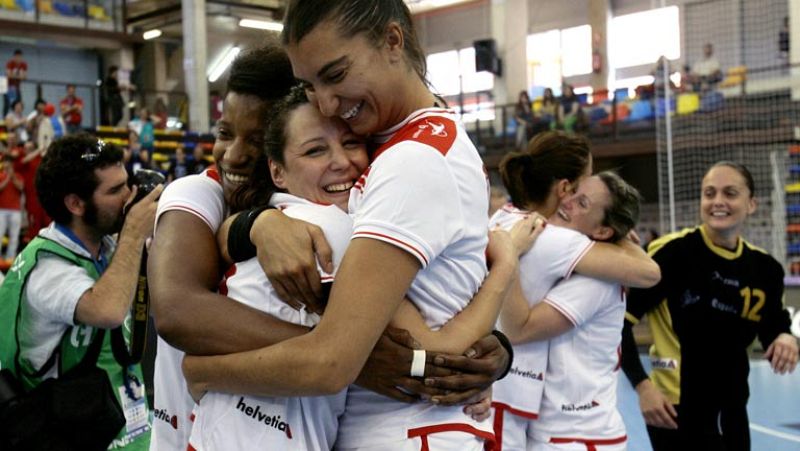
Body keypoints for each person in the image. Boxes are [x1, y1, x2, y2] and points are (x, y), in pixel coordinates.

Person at [181, 1, 516, 448]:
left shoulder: (411, 160)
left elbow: (336, 362)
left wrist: (201, 370)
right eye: (310, 84)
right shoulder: (391, 140)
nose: (326, 102)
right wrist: (255, 226)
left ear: (393, 41)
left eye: (335, 75)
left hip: (405, 428)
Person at [488, 131, 660, 450]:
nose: (575, 199)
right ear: (565, 187)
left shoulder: (507, 216)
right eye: (582, 186)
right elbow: (649, 272)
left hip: (547, 417)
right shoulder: (554, 239)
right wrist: (622, 240)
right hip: (512, 398)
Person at [621, 161, 799, 450]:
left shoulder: (766, 269)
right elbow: (620, 324)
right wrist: (643, 387)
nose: (718, 201)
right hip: (675, 408)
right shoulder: (671, 253)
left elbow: (774, 325)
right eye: (709, 193)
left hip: (732, 408)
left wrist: (785, 336)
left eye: (730, 193)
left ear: (751, 204)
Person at [0, 135, 162, 450]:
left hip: (125, 421)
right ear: (75, 203)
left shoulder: (106, 246)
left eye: (127, 184)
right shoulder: (46, 267)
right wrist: (133, 234)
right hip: (71, 433)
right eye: (115, 191)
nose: (129, 198)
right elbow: (109, 310)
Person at [0, 145, 23, 269]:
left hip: (15, 210)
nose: (8, 165)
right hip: (2, 210)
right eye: (6, 163)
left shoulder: (18, 176)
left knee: (14, 235)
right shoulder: (1, 176)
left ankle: (10, 258)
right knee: (0, 233)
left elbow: (20, 187)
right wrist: (7, 176)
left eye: (9, 164)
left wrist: (12, 176)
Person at [4, 49, 27, 116]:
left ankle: (18, 117)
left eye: (20, 57)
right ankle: (5, 118)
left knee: (19, 103)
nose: (18, 59)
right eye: (17, 57)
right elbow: (8, 75)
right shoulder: (10, 63)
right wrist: (19, 76)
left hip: (16, 87)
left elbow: (25, 77)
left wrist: (14, 75)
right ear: (14, 57)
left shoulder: (23, 65)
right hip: (8, 86)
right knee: (7, 104)